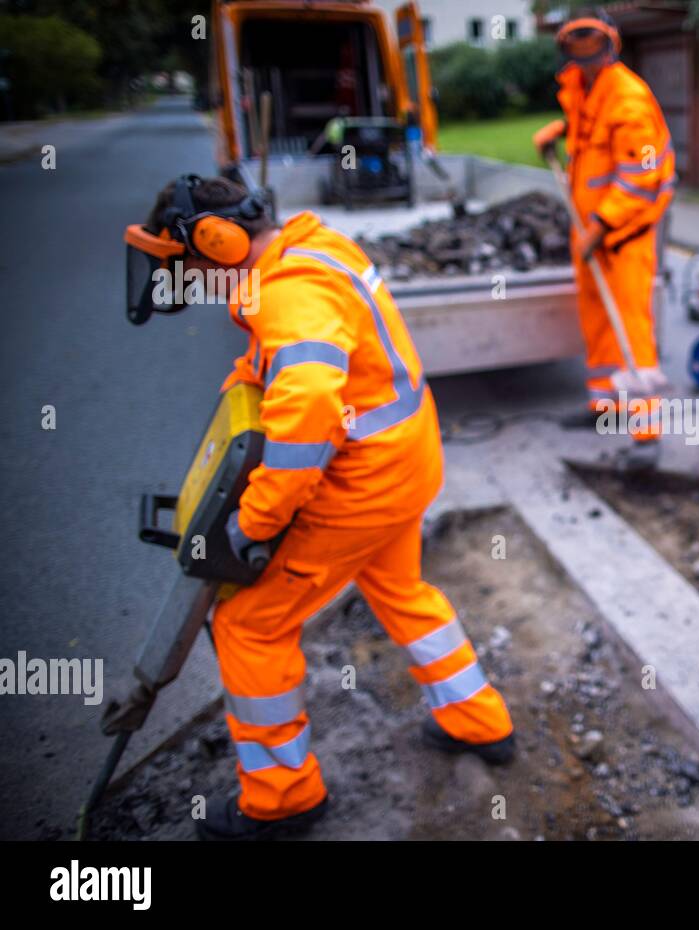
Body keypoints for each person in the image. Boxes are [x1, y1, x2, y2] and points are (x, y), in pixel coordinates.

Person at [125, 175, 515, 839]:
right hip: (405, 458)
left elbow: (307, 406)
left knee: (249, 620)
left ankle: (282, 798)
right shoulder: (311, 248)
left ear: (219, 243)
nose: (191, 282)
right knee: (400, 588)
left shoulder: (289, 292)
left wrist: (255, 523)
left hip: (364, 482)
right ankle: (478, 720)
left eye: (189, 266)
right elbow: (293, 367)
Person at [532, 9, 675, 471]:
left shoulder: (628, 98)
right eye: (575, 46)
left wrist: (601, 226)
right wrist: (561, 130)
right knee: (597, 322)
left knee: (632, 331)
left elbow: (640, 176)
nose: (584, 56)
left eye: (590, 45)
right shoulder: (583, 87)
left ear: (609, 44)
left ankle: (646, 433)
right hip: (591, 229)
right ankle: (605, 409)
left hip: (623, 235)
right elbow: (591, 135)